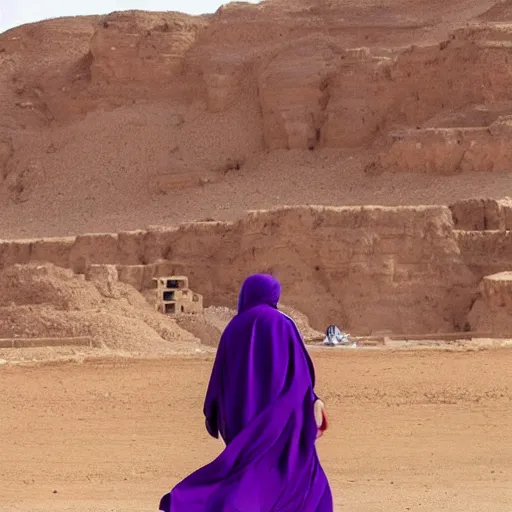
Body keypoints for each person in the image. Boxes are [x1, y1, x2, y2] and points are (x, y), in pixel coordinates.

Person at [159, 273, 333, 512]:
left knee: (247, 468)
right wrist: (312, 400)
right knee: (292, 471)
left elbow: (220, 374)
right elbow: (301, 372)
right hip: (281, 417)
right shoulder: (283, 323)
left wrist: (215, 411)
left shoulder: (234, 327)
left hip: (241, 414)